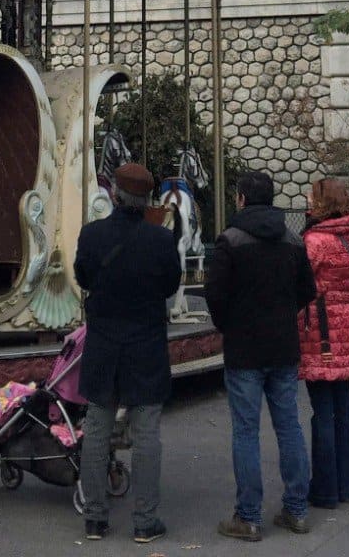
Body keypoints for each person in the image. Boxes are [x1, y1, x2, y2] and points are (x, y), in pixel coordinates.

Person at [205, 169, 316, 541]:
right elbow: (307, 290)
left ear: (240, 199)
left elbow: (215, 295)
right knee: (289, 427)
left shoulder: (230, 241)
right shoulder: (293, 240)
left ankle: (249, 515)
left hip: (244, 347)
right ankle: (297, 508)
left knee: (246, 432)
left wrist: (229, 325)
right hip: (283, 344)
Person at [74, 162, 180, 545]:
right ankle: (144, 520)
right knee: (147, 432)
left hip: (103, 344)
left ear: (115, 195)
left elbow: (83, 276)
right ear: (147, 199)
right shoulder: (161, 240)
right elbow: (170, 286)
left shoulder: (92, 235)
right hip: (146, 345)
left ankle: (95, 518)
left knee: (97, 429)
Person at [298, 178, 349, 510]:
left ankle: (325, 488)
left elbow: (300, 281)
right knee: (344, 407)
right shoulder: (348, 233)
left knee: (322, 412)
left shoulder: (316, 240)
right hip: (347, 328)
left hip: (322, 332)